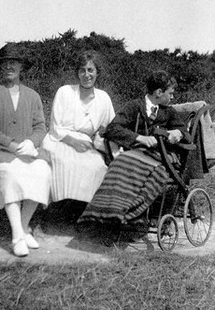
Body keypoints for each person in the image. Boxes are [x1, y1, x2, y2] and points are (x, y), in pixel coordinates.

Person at [78, 70, 190, 226]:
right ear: (158, 92)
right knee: (120, 164)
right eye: (170, 93)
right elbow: (112, 129)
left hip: (160, 156)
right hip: (135, 153)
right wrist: (139, 138)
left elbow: (186, 134)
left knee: (149, 171)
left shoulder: (169, 112)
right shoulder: (134, 106)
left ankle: (131, 215)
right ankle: (104, 214)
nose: (172, 97)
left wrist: (178, 132)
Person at [0, 43, 51, 257]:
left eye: (14, 62)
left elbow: (40, 127)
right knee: (11, 173)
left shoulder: (32, 96)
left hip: (27, 150)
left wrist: (32, 142)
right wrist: (11, 144)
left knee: (42, 172)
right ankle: (18, 235)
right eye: (5, 62)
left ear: (21, 66)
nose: (9, 66)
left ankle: (23, 226)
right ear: (0, 66)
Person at [42, 50, 115, 204]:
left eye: (90, 70)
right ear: (77, 73)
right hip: (59, 140)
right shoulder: (64, 92)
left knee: (96, 167)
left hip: (85, 143)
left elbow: (113, 127)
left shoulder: (103, 98)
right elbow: (54, 127)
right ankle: (58, 209)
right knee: (65, 163)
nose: (86, 75)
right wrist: (73, 142)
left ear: (97, 73)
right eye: (82, 70)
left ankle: (82, 210)